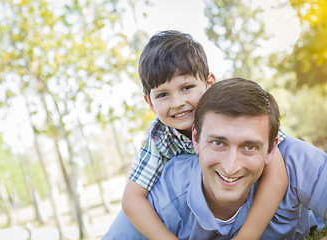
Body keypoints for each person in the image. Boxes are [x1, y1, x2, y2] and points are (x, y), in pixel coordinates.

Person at [103, 77, 327, 239]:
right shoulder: (167, 192)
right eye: (218, 143)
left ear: (271, 148)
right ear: (196, 139)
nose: (231, 167)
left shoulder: (295, 160)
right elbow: (131, 201)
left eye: (250, 146)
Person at [121, 30, 288, 240]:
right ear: (150, 102)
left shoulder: (235, 108)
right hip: (199, 216)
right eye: (163, 94)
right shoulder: (159, 137)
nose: (177, 103)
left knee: (295, 154)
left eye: (187, 87)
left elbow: (277, 175)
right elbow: (132, 199)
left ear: (209, 83)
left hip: (252, 205)